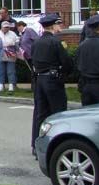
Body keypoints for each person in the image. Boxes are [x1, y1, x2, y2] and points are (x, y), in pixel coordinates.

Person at [30, 13, 75, 152]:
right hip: (53, 80)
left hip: (40, 80)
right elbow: (66, 62)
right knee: (58, 113)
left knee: (40, 113)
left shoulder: (36, 42)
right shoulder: (56, 42)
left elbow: (33, 60)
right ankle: (58, 145)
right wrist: (65, 75)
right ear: (53, 26)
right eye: (58, 24)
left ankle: (36, 146)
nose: (59, 27)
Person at [0, 21, 19, 93]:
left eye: (7, 27)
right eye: (5, 27)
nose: (6, 28)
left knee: (11, 71)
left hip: (11, 54)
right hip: (0, 54)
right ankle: (1, 85)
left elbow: (17, 42)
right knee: (1, 71)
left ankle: (11, 85)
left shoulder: (13, 33)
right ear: (1, 27)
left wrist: (17, 50)